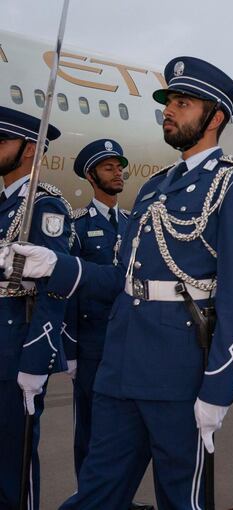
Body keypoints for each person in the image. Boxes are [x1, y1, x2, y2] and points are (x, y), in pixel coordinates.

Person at [2, 56, 233, 509]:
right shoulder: (153, 188)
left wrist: (220, 386)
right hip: (119, 366)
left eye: (182, 103)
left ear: (215, 117)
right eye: (169, 102)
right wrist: (56, 265)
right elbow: (119, 279)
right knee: (97, 493)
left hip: (179, 373)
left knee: (182, 499)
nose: (169, 110)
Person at [0, 106, 69, 510]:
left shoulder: (43, 206)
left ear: (29, 150)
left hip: (16, 350)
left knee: (15, 462)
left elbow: (55, 286)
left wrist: (36, 360)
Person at [64, 139, 130, 476]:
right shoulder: (76, 227)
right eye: (109, 167)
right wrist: (70, 350)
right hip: (92, 343)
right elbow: (68, 292)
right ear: (91, 176)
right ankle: (89, 496)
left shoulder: (134, 224)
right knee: (90, 427)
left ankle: (117, 494)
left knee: (123, 426)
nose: (118, 173)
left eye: (119, 167)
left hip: (129, 342)